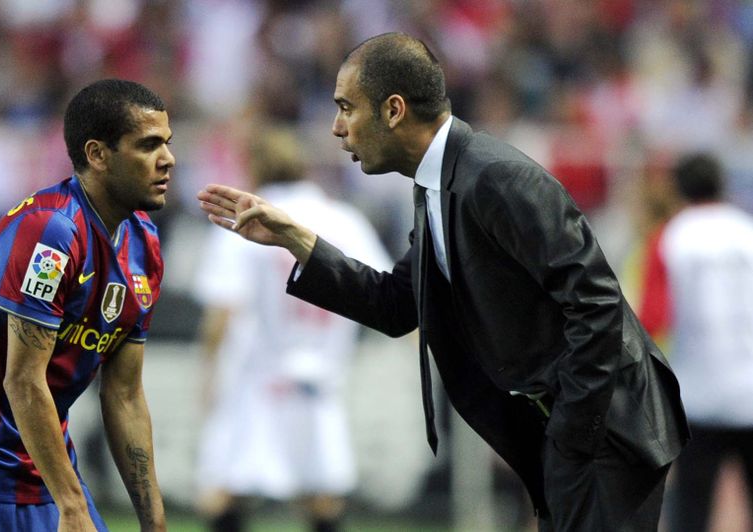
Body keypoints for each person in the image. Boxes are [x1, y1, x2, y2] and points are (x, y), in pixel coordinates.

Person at [197, 32, 690, 531]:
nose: (336, 127)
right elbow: (395, 306)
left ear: (393, 110)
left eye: (346, 107)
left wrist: (573, 435)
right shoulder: (439, 183)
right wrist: (296, 239)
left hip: (608, 425)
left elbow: (596, 305)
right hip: (578, 426)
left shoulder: (496, 177)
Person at [0, 79, 173, 532]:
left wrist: (154, 521)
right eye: (148, 145)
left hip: (46, 467)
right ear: (97, 154)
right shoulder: (51, 232)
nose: (167, 158)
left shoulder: (143, 244)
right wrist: (71, 505)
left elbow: (124, 395)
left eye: (167, 143)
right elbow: (23, 380)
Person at [192, 126, 391, 532]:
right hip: (321, 377)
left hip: (258, 376)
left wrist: (209, 371)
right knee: (321, 494)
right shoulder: (344, 219)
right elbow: (385, 293)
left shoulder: (244, 221)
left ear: (254, 165)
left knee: (225, 488)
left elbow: (223, 311)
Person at [638, 153, 753, 532]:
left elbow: (652, 318)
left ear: (679, 190)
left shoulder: (671, 237)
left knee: (692, 510)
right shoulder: (748, 231)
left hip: (699, 397)